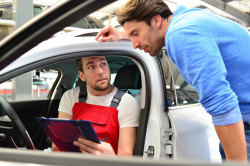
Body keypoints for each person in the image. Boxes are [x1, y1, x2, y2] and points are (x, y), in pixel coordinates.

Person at [95, 0, 250, 162]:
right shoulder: (186, 19)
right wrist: (123, 35)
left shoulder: (181, 35)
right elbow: (152, 33)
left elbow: (221, 104)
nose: (134, 45)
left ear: (156, 20)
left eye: (135, 33)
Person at [53, 56, 139, 156]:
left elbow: (125, 158)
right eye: (91, 67)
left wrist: (112, 159)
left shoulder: (127, 102)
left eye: (103, 64)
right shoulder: (70, 97)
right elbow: (58, 146)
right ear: (82, 76)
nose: (100, 71)